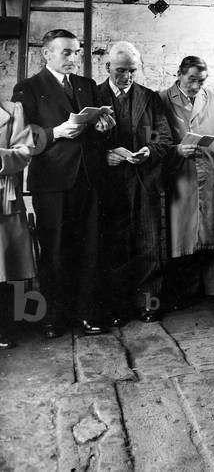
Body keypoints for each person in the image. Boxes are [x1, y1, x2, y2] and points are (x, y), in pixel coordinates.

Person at [12, 28, 114, 337]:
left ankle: (87, 313)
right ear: (46, 53)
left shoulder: (86, 85)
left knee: (90, 248)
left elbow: (99, 133)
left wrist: (103, 127)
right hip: (52, 182)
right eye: (66, 52)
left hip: (89, 178)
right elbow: (21, 138)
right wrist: (56, 132)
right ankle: (54, 317)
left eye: (76, 52)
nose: (73, 58)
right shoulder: (28, 88)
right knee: (55, 250)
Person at [96, 41, 173, 323]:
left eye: (132, 70)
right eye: (120, 70)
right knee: (114, 245)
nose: (127, 76)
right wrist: (105, 155)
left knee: (150, 244)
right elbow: (84, 142)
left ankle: (149, 304)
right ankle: (118, 307)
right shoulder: (93, 96)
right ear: (108, 67)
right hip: (109, 184)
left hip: (144, 181)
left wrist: (148, 152)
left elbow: (164, 138)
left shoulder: (150, 98)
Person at [160, 56, 214, 310]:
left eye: (201, 81)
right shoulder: (162, 99)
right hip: (180, 177)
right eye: (191, 80)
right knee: (183, 237)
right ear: (179, 74)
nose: (196, 86)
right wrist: (176, 151)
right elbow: (155, 139)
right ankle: (185, 292)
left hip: (213, 174)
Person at [0, 99, 34, 348]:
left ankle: (4, 326)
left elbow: (24, 153)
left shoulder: (12, 111)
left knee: (5, 263)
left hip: (4, 196)